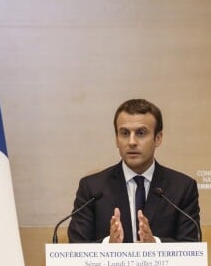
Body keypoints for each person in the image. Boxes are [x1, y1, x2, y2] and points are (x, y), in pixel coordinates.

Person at [68, 99, 201, 243]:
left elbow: (191, 246)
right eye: (124, 133)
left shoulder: (182, 188)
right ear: (116, 139)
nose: (131, 142)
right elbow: (76, 246)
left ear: (158, 138)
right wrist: (108, 246)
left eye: (141, 133)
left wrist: (155, 244)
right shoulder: (92, 188)